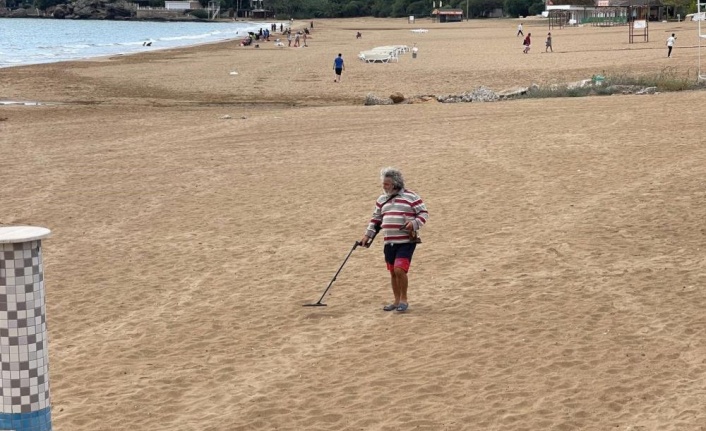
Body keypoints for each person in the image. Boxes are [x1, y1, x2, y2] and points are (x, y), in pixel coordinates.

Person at [360, 167, 429, 312]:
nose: (384, 187)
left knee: (399, 270)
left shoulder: (411, 196)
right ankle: (396, 301)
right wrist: (367, 235)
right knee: (392, 272)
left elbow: (423, 213)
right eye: (383, 184)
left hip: (406, 241)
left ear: (396, 183)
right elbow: (376, 219)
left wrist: (413, 224)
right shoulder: (381, 199)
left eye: (387, 184)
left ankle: (404, 299)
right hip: (388, 241)